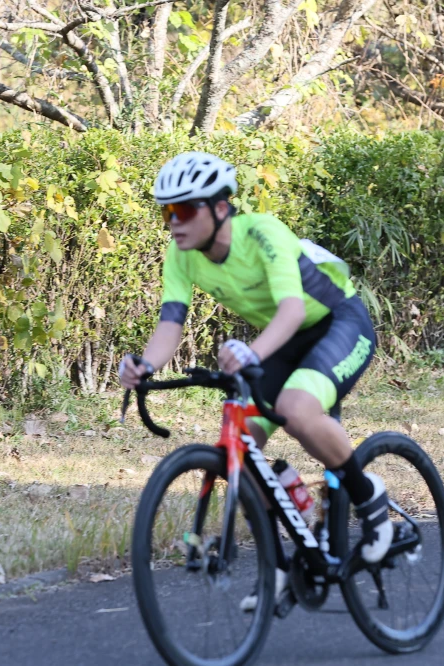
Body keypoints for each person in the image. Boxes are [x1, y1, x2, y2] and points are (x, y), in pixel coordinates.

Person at [118, 151, 392, 611]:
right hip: (285, 340)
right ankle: (280, 568)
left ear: (220, 207)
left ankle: (370, 500)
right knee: (241, 449)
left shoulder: (262, 232)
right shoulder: (181, 255)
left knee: (296, 410)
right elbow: (170, 324)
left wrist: (251, 353)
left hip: (338, 323)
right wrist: (144, 365)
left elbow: (293, 310)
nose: (174, 223)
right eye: (167, 212)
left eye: (184, 210)